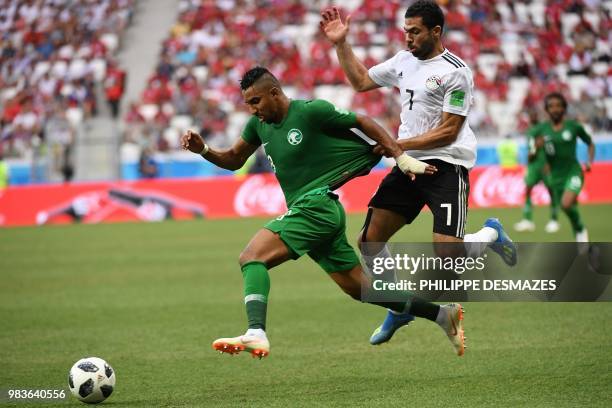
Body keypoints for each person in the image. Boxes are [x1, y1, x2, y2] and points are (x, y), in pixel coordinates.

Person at [181, 67, 468, 358]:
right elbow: (233, 158)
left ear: (275, 93)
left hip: (316, 206)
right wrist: (203, 148)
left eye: (256, 101)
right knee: (361, 289)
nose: (253, 109)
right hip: (315, 212)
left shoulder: (310, 111)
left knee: (252, 258)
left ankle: (256, 332)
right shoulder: (258, 126)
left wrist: (400, 156)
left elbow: (363, 121)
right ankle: (443, 315)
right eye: (248, 104)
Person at [320, 1, 516, 345]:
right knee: (369, 240)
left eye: (415, 31)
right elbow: (362, 82)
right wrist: (341, 44)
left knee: (447, 257)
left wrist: (398, 144)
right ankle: (399, 307)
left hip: (446, 165)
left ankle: (490, 234)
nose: (408, 38)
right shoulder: (402, 62)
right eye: (405, 31)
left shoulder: (456, 71)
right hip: (409, 163)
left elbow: (449, 131)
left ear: (435, 31)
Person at [534, 92, 595, 243]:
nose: (555, 109)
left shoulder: (573, 127)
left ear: (564, 108)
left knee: (566, 203)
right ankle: (580, 233)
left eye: (558, 106)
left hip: (573, 171)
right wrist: (536, 148)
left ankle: (581, 229)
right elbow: (531, 156)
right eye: (551, 106)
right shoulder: (541, 130)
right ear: (547, 110)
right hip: (555, 176)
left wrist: (589, 162)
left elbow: (590, 143)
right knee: (567, 207)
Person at [514, 110, 560, 233]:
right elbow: (531, 153)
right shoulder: (530, 132)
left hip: (545, 166)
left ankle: (554, 220)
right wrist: (530, 161)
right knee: (528, 190)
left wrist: (551, 163)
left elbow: (552, 148)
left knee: (551, 191)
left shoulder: (544, 130)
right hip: (534, 166)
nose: (533, 117)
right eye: (531, 115)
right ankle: (527, 221)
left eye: (535, 115)